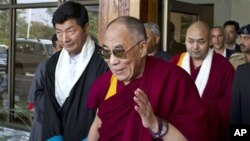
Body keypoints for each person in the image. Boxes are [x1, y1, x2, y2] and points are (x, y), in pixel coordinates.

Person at [87, 16, 207, 141]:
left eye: (120, 51)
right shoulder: (107, 82)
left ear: (142, 48)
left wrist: (155, 124)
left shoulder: (174, 79)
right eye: (106, 52)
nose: (112, 61)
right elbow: (97, 125)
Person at [42, 1, 108, 141]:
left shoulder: (104, 61)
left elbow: (107, 109)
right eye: (59, 32)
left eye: (70, 31)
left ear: (86, 28)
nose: (64, 39)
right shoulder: (53, 63)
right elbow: (50, 107)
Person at [170, 21, 235, 141]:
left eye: (201, 41)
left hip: (209, 131)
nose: (195, 46)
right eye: (190, 41)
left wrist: (200, 104)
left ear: (210, 41)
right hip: (177, 132)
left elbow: (231, 103)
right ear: (185, 41)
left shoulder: (223, 66)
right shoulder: (175, 62)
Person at [28, 34, 62, 141]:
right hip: (44, 121)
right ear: (54, 48)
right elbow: (34, 95)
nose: (64, 51)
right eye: (60, 47)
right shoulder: (45, 65)